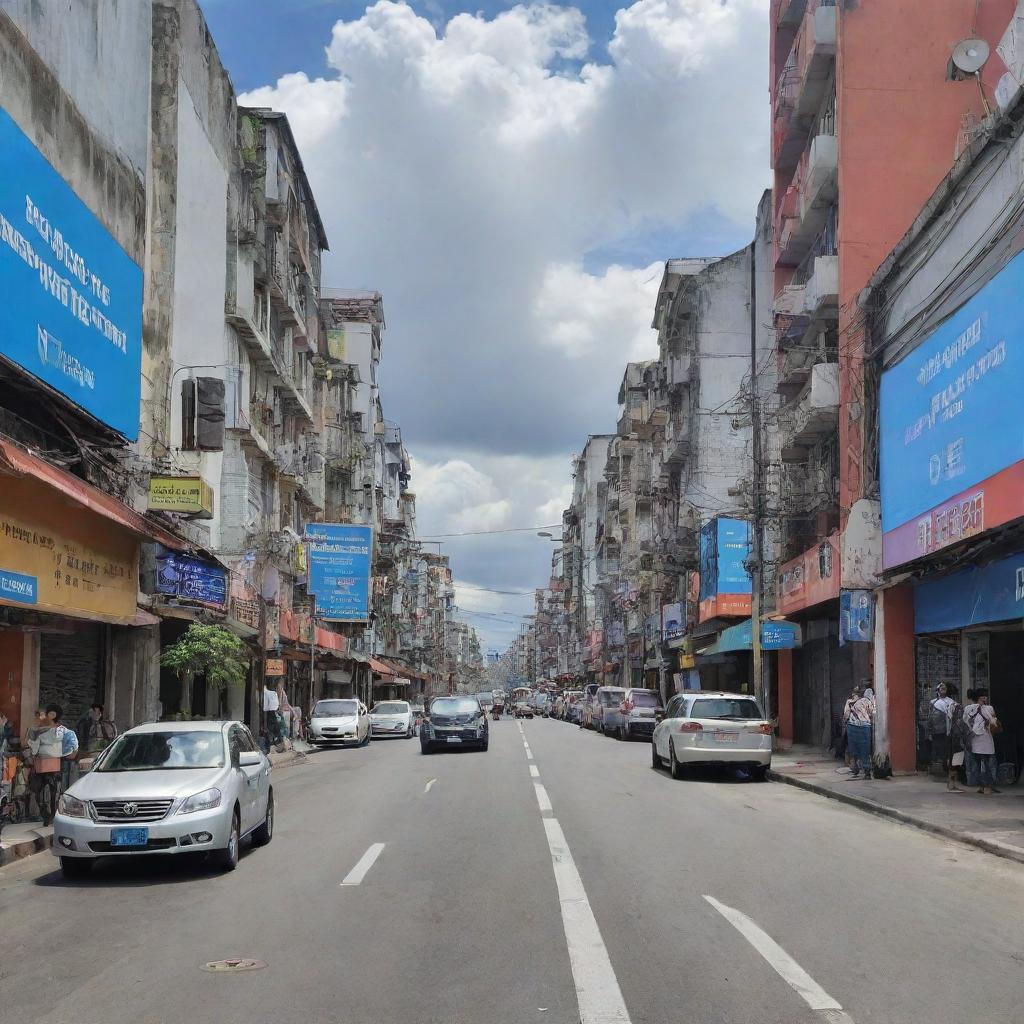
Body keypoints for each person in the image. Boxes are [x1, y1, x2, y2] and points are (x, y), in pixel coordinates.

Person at [963, 688, 1000, 795]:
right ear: (979, 697)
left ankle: (984, 786)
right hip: (984, 740)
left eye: (985, 696)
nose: (985, 698)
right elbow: (994, 722)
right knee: (985, 764)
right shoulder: (987, 708)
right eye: (983, 696)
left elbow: (966, 722)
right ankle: (986, 786)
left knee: (981, 764)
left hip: (978, 740)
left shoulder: (970, 708)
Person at [928, 683, 962, 792]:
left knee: (949, 753)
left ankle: (950, 775)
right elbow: (930, 718)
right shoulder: (933, 703)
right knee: (938, 750)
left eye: (945, 688)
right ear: (938, 690)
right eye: (941, 688)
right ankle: (939, 771)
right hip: (937, 732)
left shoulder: (951, 703)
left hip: (949, 732)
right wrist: (929, 731)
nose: (943, 689)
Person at [844, 686, 875, 779]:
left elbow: (846, 715)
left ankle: (855, 768)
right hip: (865, 728)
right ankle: (866, 772)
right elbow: (872, 713)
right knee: (865, 749)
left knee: (853, 748)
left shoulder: (849, 702)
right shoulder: (869, 702)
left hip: (852, 727)